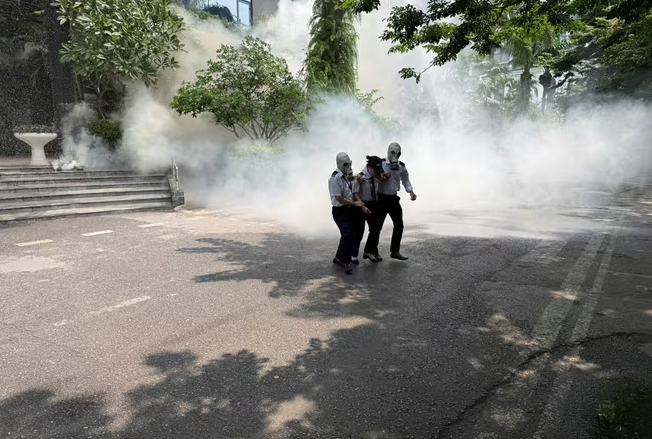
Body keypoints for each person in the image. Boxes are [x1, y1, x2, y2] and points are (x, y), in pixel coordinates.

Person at [329, 152, 370, 274]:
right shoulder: (335, 178)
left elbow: (354, 192)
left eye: (349, 163)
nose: (348, 166)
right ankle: (346, 261)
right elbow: (339, 198)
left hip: (349, 209)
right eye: (345, 164)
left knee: (348, 234)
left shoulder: (349, 177)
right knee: (347, 234)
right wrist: (354, 203)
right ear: (339, 164)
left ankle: (338, 257)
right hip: (339, 210)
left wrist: (362, 205)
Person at [377, 142, 417, 261]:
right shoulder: (380, 163)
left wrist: (411, 192)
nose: (395, 155)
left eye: (398, 153)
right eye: (393, 152)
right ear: (389, 151)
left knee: (399, 225)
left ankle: (395, 251)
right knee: (377, 227)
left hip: (393, 199)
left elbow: (405, 180)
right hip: (381, 198)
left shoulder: (401, 166)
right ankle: (373, 250)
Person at [351, 155, 385, 263]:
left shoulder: (377, 176)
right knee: (359, 231)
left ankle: (369, 251)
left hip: (373, 204)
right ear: (369, 167)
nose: (376, 173)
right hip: (361, 204)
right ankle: (353, 255)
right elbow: (355, 193)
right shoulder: (360, 177)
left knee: (375, 229)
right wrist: (362, 206)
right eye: (375, 170)